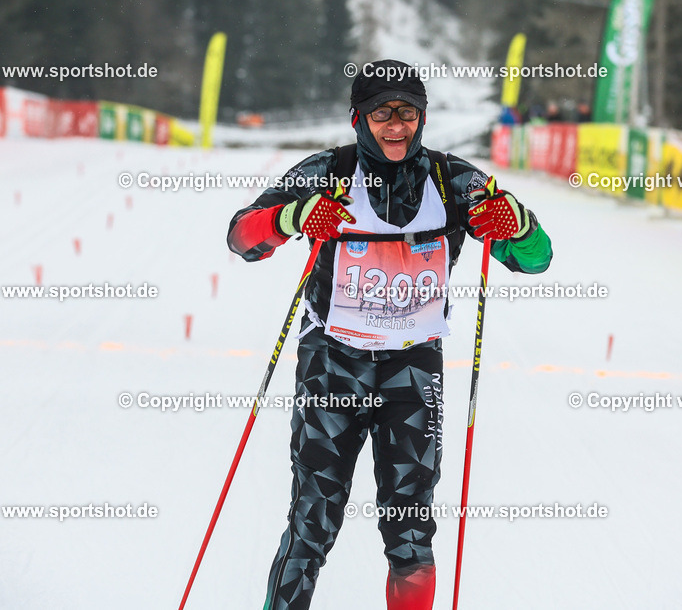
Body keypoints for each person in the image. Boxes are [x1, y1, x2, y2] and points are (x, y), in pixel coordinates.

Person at [227, 59, 553, 610]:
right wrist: (292, 218)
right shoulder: (327, 172)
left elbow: (535, 258)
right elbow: (241, 237)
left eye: (408, 112)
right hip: (334, 361)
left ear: (423, 117)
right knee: (313, 524)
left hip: (412, 370)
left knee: (410, 535)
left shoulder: (456, 181)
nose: (396, 125)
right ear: (359, 117)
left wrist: (517, 222)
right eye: (383, 112)